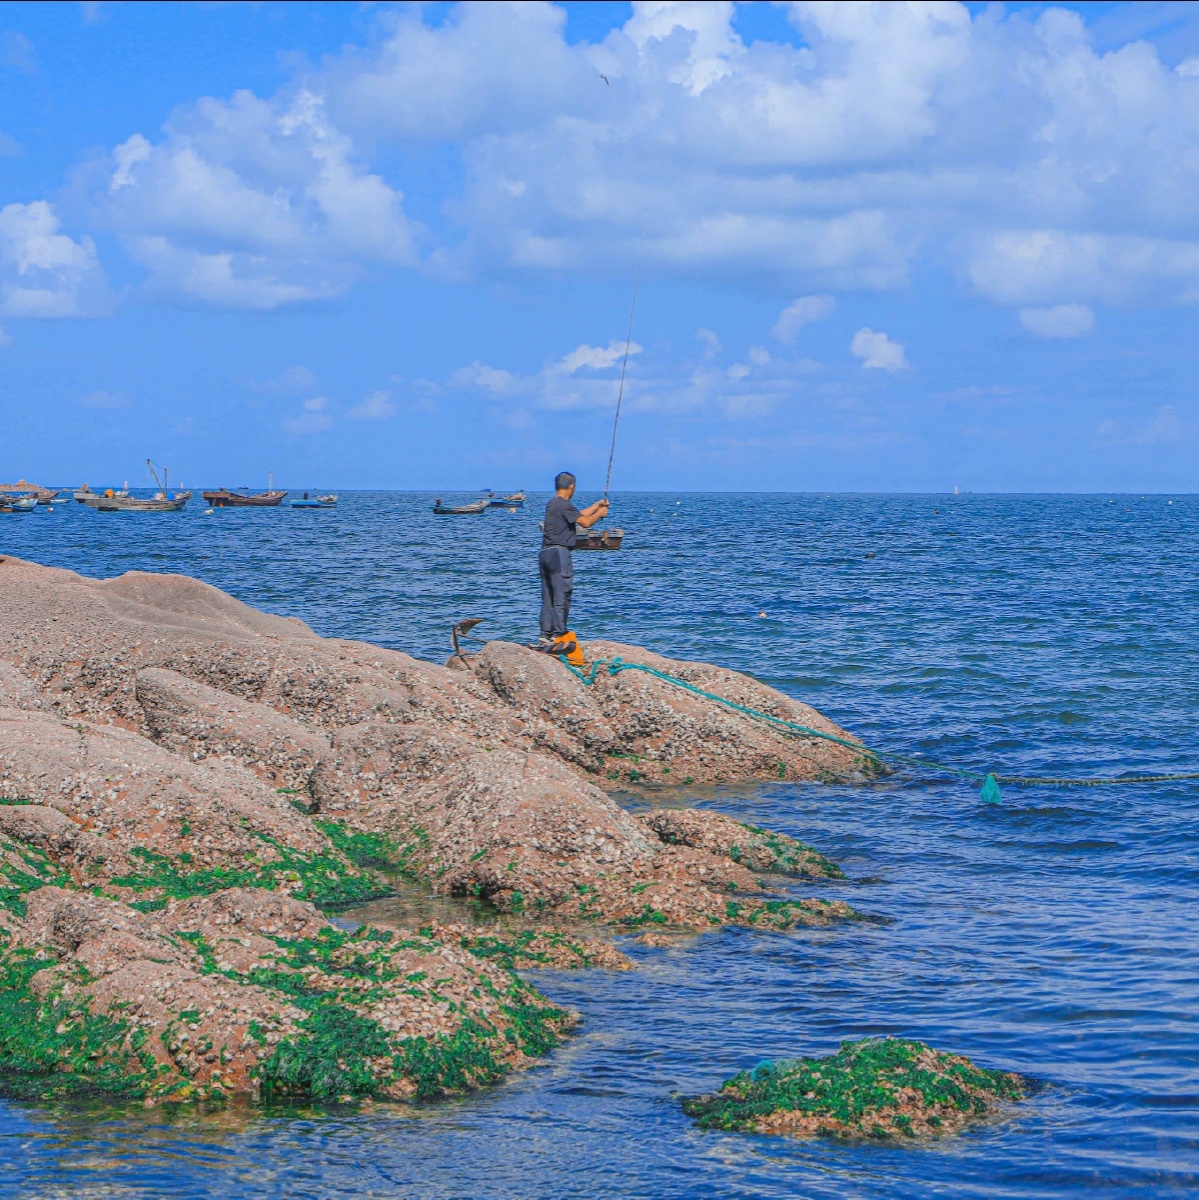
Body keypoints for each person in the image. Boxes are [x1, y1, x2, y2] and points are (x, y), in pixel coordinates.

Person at [539, 471, 609, 648]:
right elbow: (585, 523)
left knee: (548, 594)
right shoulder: (563, 504)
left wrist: (595, 506)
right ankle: (559, 634)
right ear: (572, 487)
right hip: (559, 554)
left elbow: (579, 516)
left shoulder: (554, 504)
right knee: (562, 593)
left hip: (546, 553)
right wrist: (599, 514)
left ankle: (545, 634)